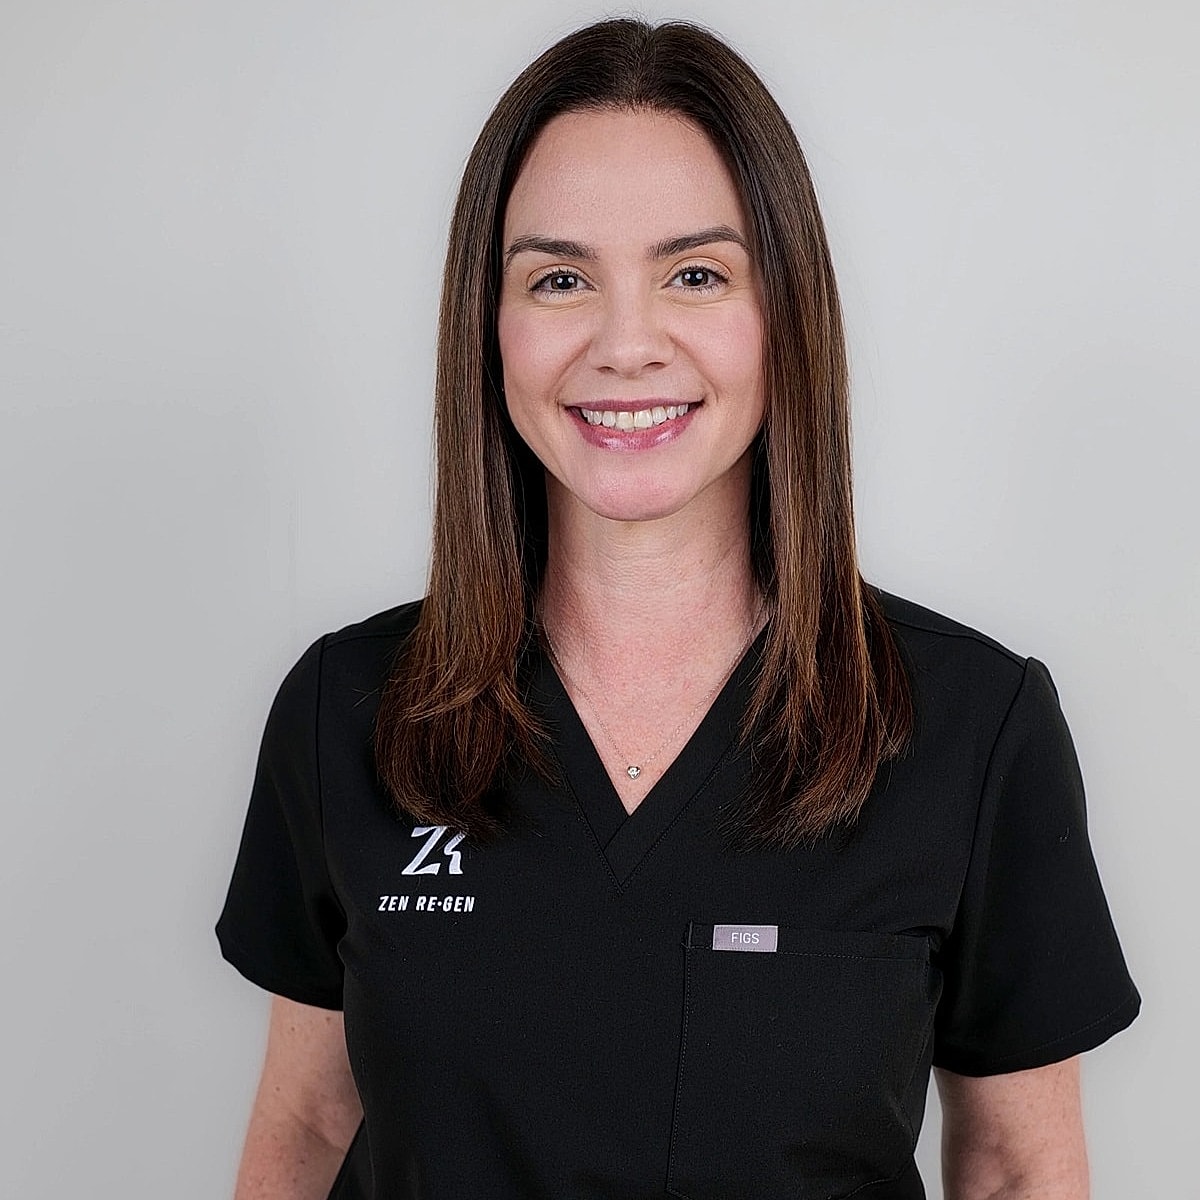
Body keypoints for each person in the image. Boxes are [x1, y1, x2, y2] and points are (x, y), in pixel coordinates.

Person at [217, 18, 1139, 1199]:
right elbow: (306, 1129)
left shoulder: (969, 725)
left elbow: (1018, 1168)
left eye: (695, 273)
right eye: (559, 278)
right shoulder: (346, 711)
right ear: (487, 326)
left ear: (784, 314)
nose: (626, 342)